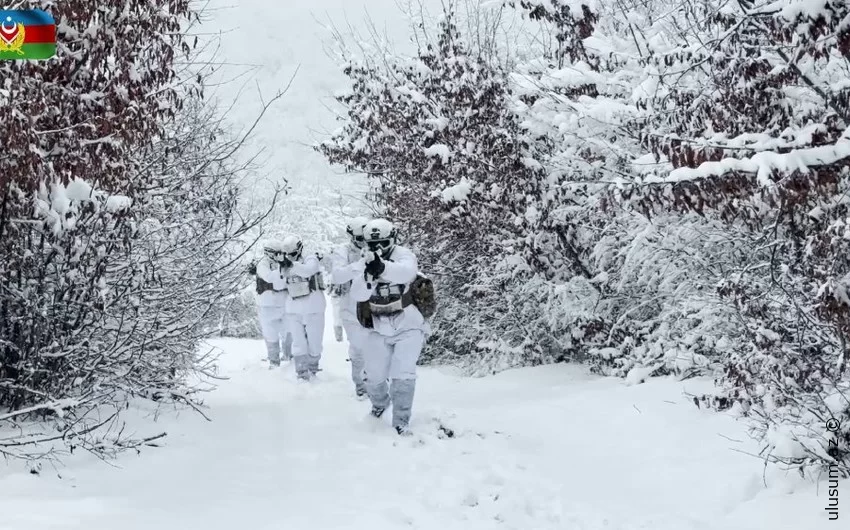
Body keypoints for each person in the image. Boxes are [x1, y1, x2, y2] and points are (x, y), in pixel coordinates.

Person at [352, 219, 428, 435]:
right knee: (374, 374)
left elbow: (406, 273)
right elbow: (357, 294)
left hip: (407, 324)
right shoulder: (364, 260)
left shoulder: (404, 255)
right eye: (373, 244)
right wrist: (368, 275)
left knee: (403, 372)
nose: (378, 249)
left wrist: (382, 268)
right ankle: (379, 405)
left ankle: (401, 420)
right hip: (377, 325)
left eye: (383, 243)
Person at [329, 216, 371, 399]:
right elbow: (338, 275)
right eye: (360, 238)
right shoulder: (343, 252)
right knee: (358, 347)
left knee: (378, 347)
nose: (364, 242)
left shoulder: (377, 248)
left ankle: (378, 383)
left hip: (376, 307)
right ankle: (361, 387)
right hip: (351, 307)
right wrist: (360, 265)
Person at [280, 235, 327, 381]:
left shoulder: (310, 259)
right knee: (298, 343)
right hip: (294, 310)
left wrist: (292, 265)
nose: (290, 257)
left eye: (292, 254)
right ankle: (301, 373)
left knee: (315, 344)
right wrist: (282, 267)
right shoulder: (284, 265)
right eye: (287, 255)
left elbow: (309, 270)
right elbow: (278, 283)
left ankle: (313, 369)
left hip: (313, 308)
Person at [254, 240, 293, 368]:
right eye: (277, 253)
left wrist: (285, 265)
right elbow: (272, 279)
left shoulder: (283, 263)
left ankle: (288, 358)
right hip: (267, 305)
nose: (280, 255)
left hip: (284, 303)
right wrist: (283, 269)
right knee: (270, 334)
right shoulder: (262, 264)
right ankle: (274, 361)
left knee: (289, 331)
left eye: (282, 253)